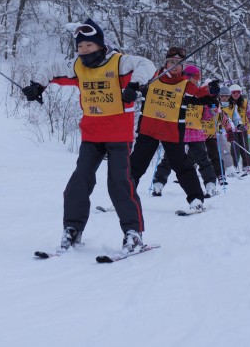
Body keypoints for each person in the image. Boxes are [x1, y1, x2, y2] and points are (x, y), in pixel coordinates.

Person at [22, 18, 156, 254]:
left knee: (119, 183)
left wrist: (134, 87)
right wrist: (37, 86)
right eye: (80, 47)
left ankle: (133, 233)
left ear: (101, 45)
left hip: (118, 135)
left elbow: (146, 64)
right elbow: (52, 68)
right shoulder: (77, 66)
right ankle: (73, 229)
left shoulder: (119, 62)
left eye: (89, 46)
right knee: (78, 183)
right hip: (91, 135)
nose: (84, 51)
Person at [128, 47, 218, 212]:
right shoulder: (153, 77)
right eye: (171, 62)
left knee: (182, 165)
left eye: (179, 63)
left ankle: (196, 199)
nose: (174, 66)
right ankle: (124, 198)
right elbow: (135, 84)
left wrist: (211, 91)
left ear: (183, 67)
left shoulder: (185, 84)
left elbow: (200, 95)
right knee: (135, 164)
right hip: (149, 129)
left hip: (171, 131)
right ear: (165, 62)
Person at [149, 65, 219, 198]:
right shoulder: (179, 89)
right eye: (190, 77)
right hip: (177, 130)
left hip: (194, 131)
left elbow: (206, 115)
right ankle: (158, 183)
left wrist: (213, 108)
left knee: (202, 158)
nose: (194, 80)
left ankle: (210, 184)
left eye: (196, 77)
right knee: (169, 159)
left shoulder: (200, 92)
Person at [227, 84, 250, 175]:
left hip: (242, 128)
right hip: (232, 129)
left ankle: (247, 166)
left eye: (238, 92)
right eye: (234, 92)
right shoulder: (228, 103)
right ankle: (234, 167)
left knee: (245, 147)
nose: (236, 94)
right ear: (231, 93)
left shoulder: (244, 102)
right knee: (234, 149)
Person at [215, 86, 237, 180]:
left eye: (226, 96)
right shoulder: (215, 104)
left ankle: (229, 170)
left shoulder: (232, 106)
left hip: (225, 131)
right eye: (222, 96)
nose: (224, 98)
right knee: (211, 152)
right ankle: (217, 170)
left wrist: (234, 127)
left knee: (226, 150)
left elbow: (234, 118)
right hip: (214, 131)